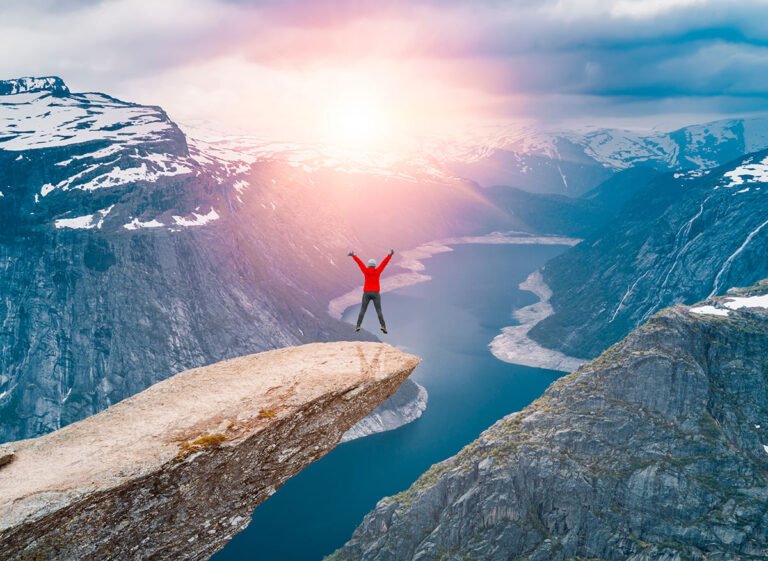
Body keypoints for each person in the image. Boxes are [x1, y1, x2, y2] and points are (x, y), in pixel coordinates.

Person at [348, 249, 394, 334]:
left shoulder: (365, 271)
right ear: (374, 265)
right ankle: (383, 326)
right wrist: (390, 255)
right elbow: (384, 263)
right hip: (376, 294)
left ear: (369, 265)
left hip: (366, 293)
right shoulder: (377, 271)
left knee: (363, 310)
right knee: (379, 311)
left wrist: (354, 256)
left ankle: (358, 325)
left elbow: (360, 263)